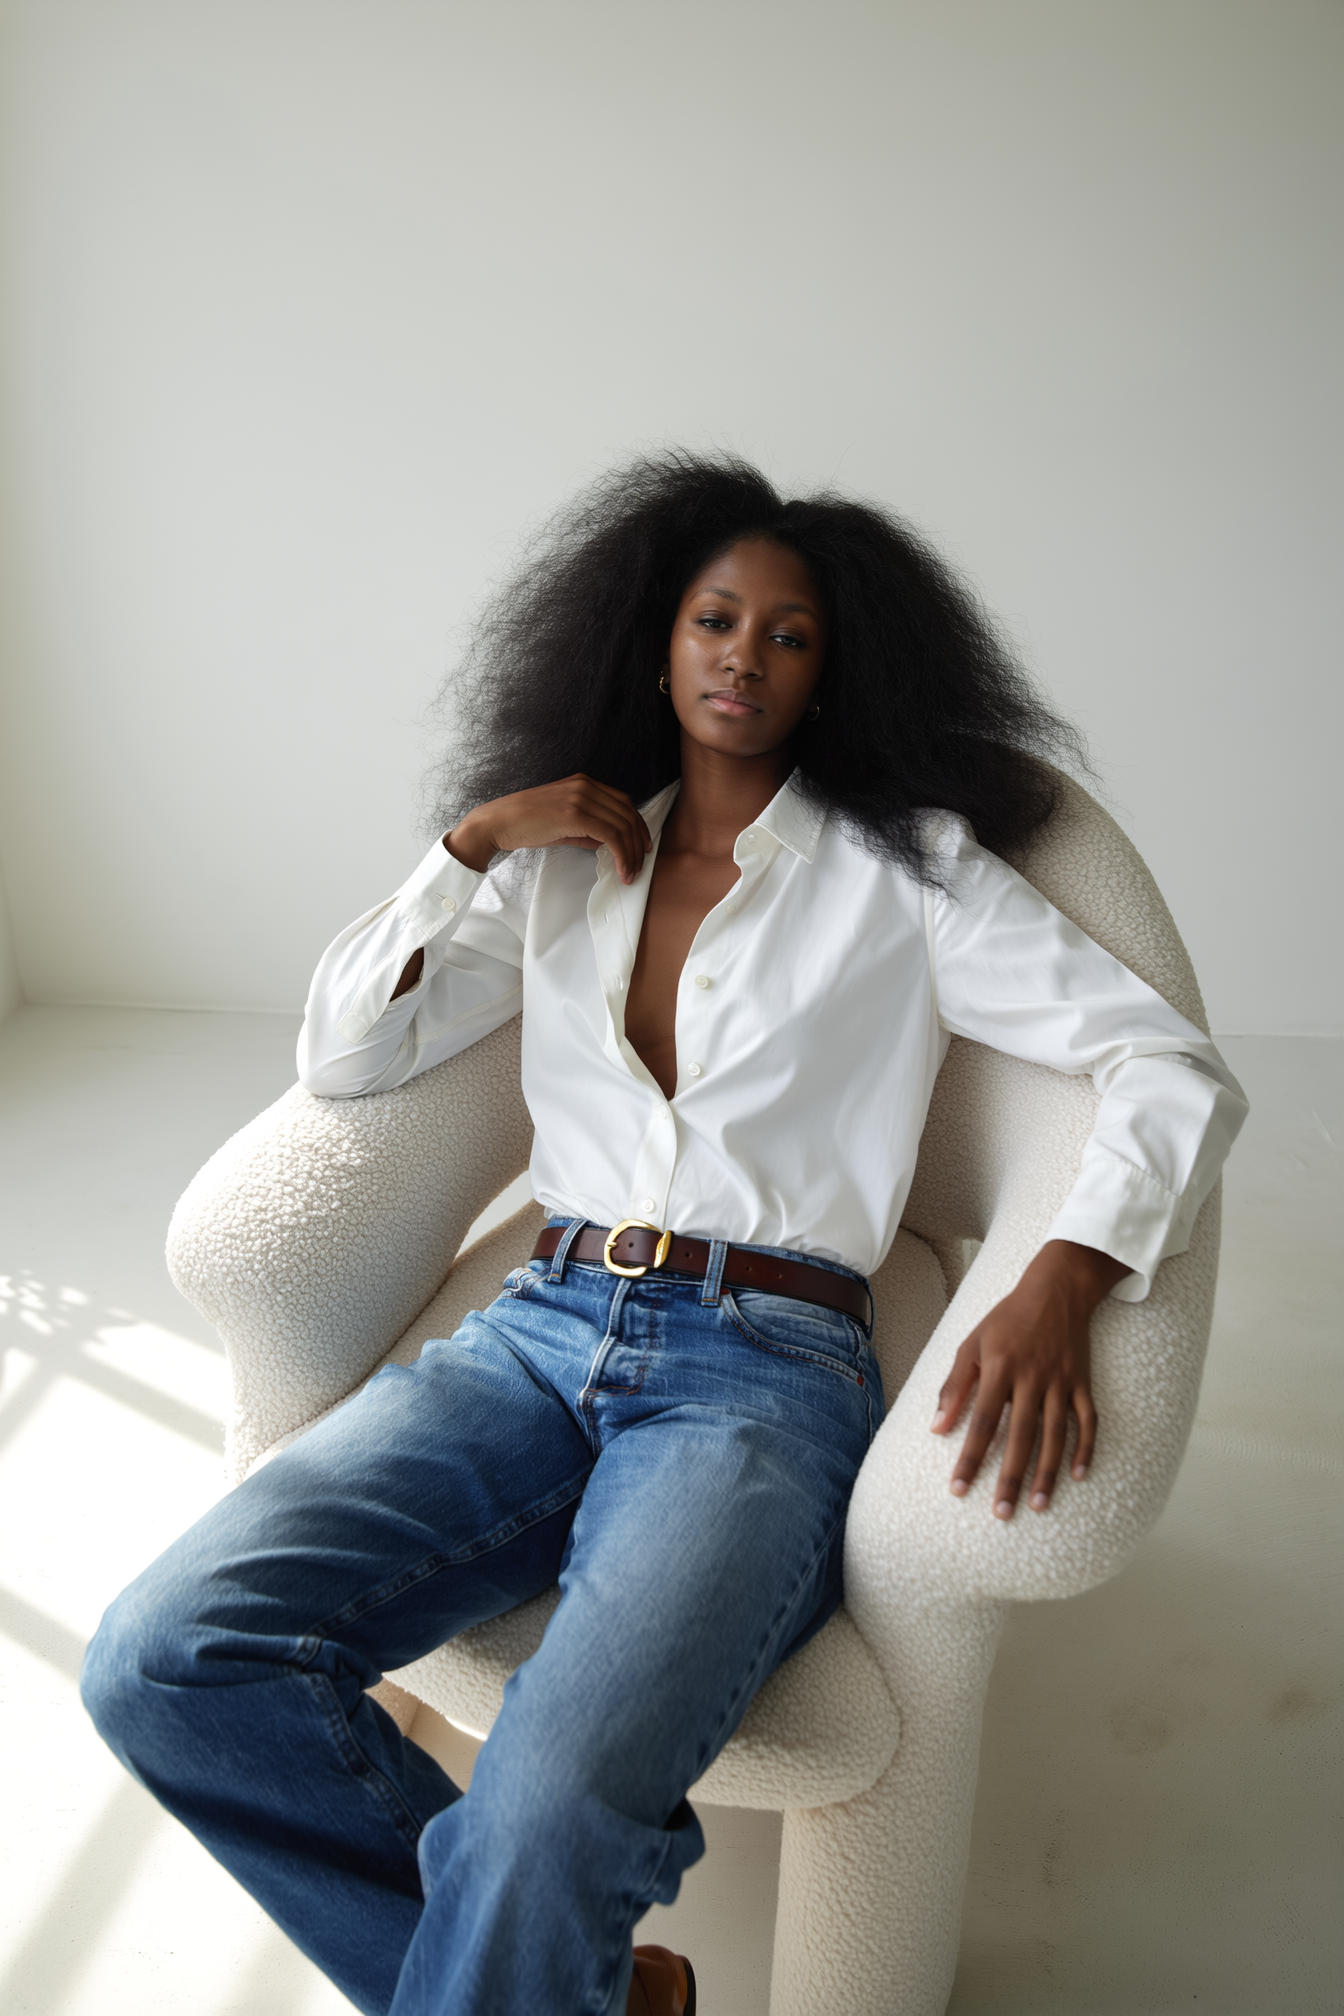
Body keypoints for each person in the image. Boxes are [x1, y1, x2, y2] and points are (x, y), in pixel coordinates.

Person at [82, 453, 1247, 2016]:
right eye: (715, 619)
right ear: (655, 635)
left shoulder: (906, 873)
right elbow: (348, 1059)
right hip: (532, 1332)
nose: (743, 657)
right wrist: (471, 850)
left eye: (790, 635)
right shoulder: (567, 857)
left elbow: (1163, 1063)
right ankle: (592, 1987)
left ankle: (554, 1968)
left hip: (762, 1378)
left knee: (554, 1807)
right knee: (162, 1656)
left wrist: (1061, 1272)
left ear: (838, 674)